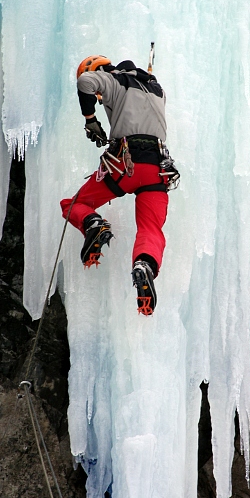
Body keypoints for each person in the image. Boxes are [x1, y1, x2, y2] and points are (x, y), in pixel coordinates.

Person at [60, 55, 179, 315]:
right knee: (151, 228)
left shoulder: (114, 80)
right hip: (157, 170)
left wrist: (90, 118)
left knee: (73, 205)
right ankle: (144, 265)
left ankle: (93, 224)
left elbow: (86, 82)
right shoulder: (157, 89)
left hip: (125, 164)